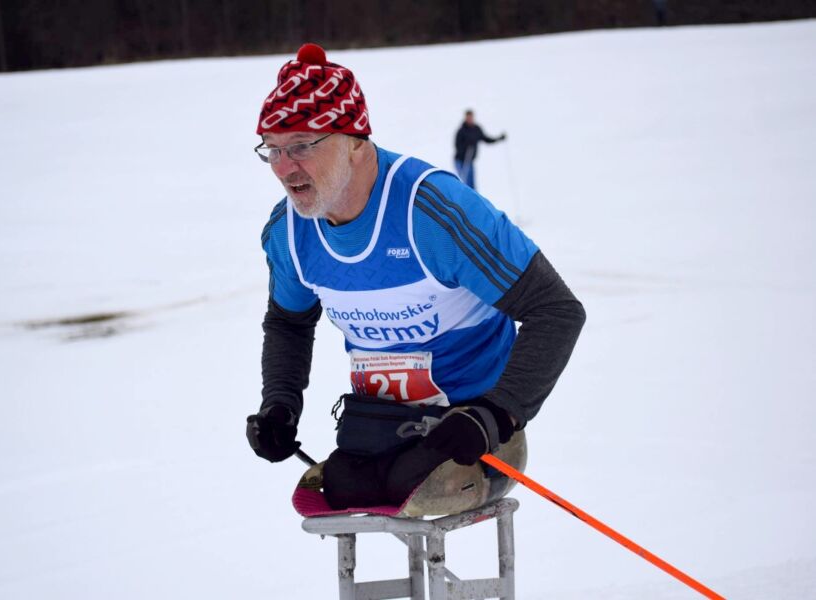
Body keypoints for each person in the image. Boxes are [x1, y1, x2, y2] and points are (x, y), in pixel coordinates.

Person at [246, 43, 585, 515]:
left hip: (470, 430)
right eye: (273, 149)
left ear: (356, 141)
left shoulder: (432, 212)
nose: (284, 168)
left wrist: (497, 412)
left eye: (301, 145)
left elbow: (556, 311)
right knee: (337, 488)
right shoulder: (288, 233)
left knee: (415, 483)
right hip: (379, 427)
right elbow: (289, 323)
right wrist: (279, 406)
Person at [454, 109, 506, 191]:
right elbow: (457, 145)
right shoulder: (461, 131)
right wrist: (466, 145)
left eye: (471, 117)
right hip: (461, 161)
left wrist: (499, 138)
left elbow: (487, 139)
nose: (470, 119)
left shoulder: (476, 129)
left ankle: (473, 200)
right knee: (464, 181)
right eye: (468, 117)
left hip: (470, 160)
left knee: (472, 183)